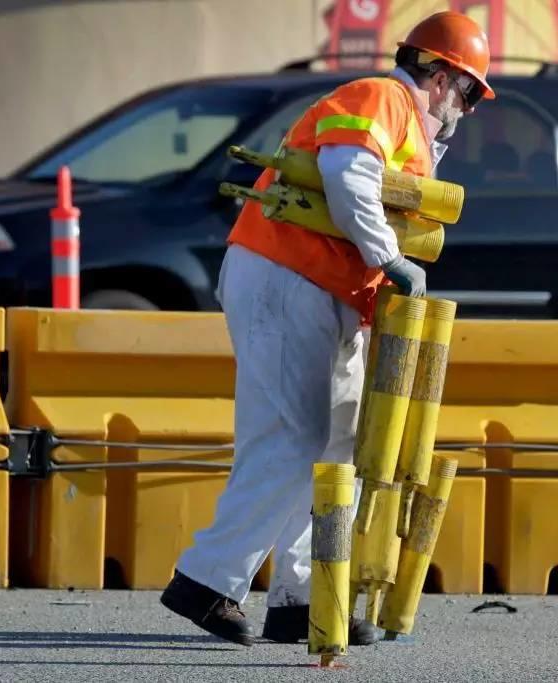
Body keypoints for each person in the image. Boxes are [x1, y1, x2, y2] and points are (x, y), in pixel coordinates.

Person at [159, 10, 494, 647]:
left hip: (322, 292)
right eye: (471, 93)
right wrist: (388, 257)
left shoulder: (403, 121)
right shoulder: (383, 97)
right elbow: (348, 174)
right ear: (442, 77)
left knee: (335, 444)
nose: (468, 110)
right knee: (294, 436)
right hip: (288, 279)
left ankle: (303, 598)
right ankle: (206, 581)